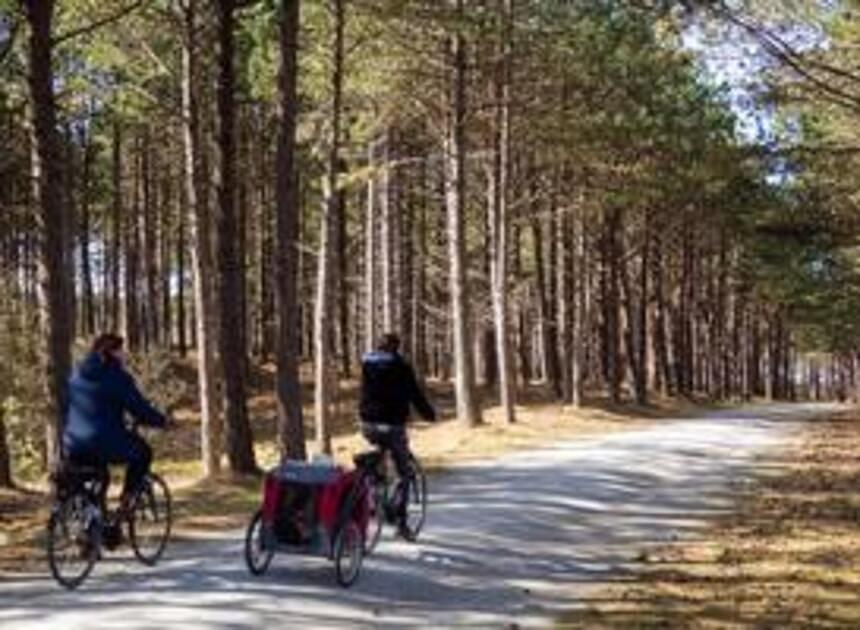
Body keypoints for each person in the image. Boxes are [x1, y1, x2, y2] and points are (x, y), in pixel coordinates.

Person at [62, 333, 168, 524]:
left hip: (73, 443)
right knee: (143, 453)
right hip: (105, 442)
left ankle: (93, 525)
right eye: (120, 351)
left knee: (100, 477)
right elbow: (139, 408)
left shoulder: (76, 373)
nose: (123, 355)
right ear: (112, 352)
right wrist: (163, 422)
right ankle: (126, 502)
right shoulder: (117, 377)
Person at [360, 333, 435, 532]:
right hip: (393, 425)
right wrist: (429, 414)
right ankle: (401, 522)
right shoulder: (401, 367)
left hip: (367, 424)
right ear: (396, 348)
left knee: (376, 459)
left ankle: (373, 491)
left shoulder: (367, 364)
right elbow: (415, 394)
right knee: (404, 474)